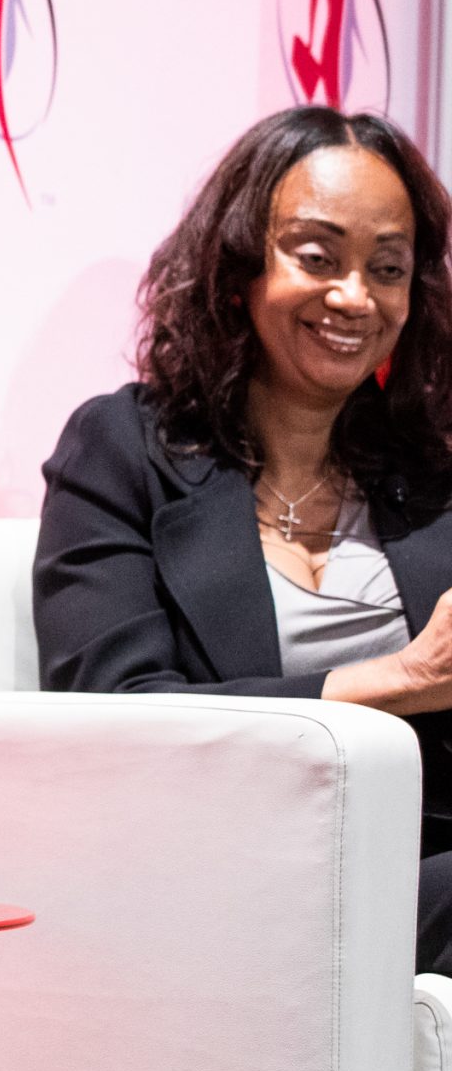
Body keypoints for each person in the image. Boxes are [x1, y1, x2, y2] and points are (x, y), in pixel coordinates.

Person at [35, 104, 452, 972]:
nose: (355, 296)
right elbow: (115, 714)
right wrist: (403, 680)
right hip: (227, 875)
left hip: (415, 864)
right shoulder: (126, 449)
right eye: (317, 256)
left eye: (387, 268)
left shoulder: (428, 472)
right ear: (238, 266)